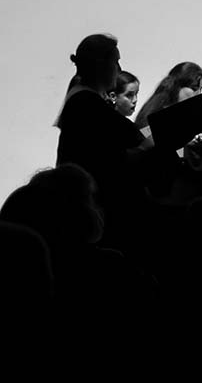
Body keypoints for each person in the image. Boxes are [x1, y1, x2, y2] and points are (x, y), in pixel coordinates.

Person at [54, 34, 152, 249]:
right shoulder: (88, 103)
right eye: (116, 61)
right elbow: (135, 139)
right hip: (98, 209)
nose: (119, 68)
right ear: (101, 65)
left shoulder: (82, 99)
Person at [134, 61, 202, 207]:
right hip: (165, 204)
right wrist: (183, 144)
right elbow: (145, 152)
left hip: (199, 204)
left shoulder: (201, 118)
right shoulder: (155, 115)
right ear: (176, 86)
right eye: (194, 88)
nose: (198, 94)